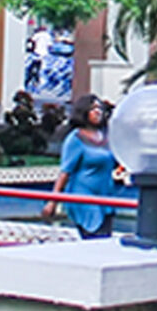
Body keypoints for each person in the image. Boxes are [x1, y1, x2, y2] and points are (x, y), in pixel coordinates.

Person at [53, 93, 124, 238]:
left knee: (105, 237)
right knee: (94, 235)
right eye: (93, 109)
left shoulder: (107, 137)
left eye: (100, 108)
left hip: (106, 195)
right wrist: (53, 201)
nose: (98, 112)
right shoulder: (76, 139)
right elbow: (65, 172)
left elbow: (117, 161)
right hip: (84, 195)